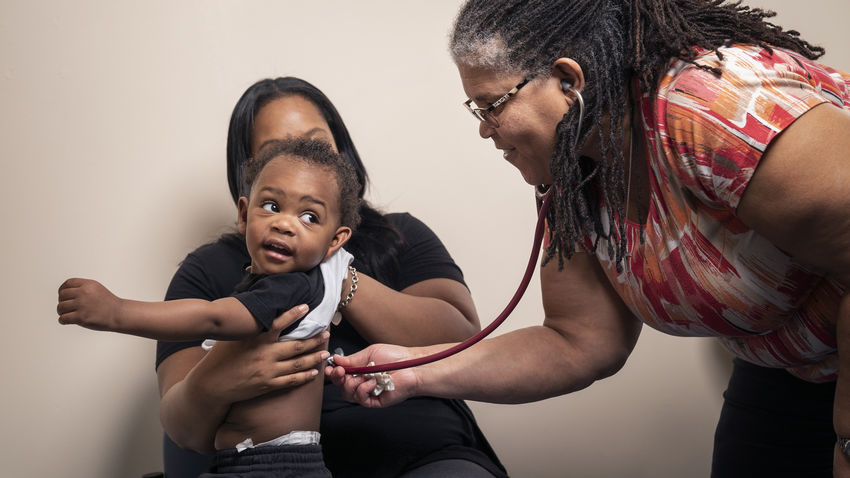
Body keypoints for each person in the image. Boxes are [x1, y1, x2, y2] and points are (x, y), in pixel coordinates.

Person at [328, 1, 850, 477]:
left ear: (567, 80)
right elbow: (579, 342)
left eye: (491, 105)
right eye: (476, 111)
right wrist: (414, 375)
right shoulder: (575, 176)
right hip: (785, 373)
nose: (485, 130)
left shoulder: (713, 109)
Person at [156, 77, 508, 477]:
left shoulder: (401, 235)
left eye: (317, 144)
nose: (302, 163)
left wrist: (336, 279)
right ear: (248, 182)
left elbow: (461, 340)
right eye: (278, 152)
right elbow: (181, 429)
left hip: (423, 454)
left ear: (344, 154)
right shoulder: (206, 270)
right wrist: (217, 380)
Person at [59, 137, 362, 476]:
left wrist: (116, 312)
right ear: (245, 215)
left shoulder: (292, 287)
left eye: (308, 216)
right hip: (243, 462)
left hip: (276, 466)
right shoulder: (258, 283)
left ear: (335, 240)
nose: (284, 223)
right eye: (272, 206)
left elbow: (214, 318)